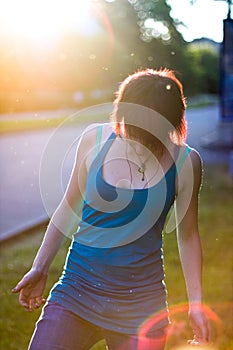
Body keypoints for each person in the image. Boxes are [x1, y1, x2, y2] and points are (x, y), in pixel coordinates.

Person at [12, 68, 211, 350]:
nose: (132, 137)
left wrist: (196, 304)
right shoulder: (94, 140)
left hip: (142, 308)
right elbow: (69, 207)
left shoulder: (187, 163)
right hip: (76, 292)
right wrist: (40, 267)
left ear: (169, 124)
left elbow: (188, 235)